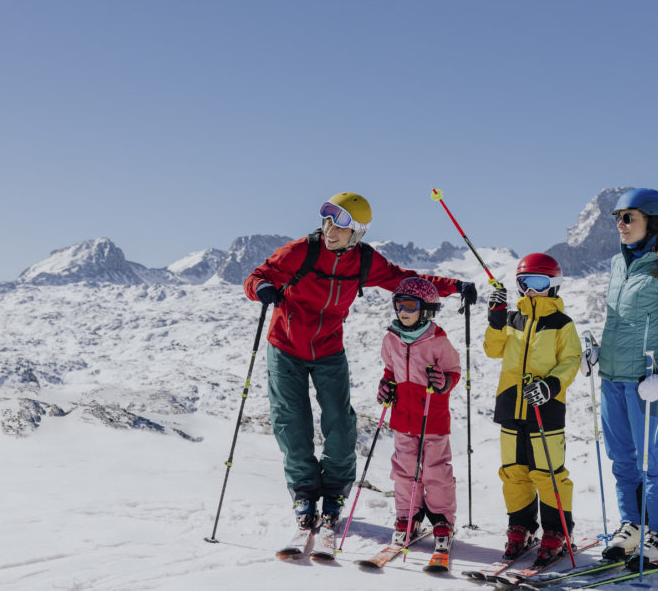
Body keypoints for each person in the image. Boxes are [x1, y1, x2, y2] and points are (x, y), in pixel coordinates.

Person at [243, 192, 478, 535]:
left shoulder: (364, 262)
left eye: (340, 224)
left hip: (328, 349)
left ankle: (335, 491)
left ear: (357, 232)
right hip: (286, 347)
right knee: (291, 422)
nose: (330, 229)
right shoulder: (300, 252)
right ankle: (304, 492)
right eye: (327, 220)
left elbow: (404, 280)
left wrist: (455, 286)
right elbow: (257, 276)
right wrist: (262, 288)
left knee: (340, 423)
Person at [586, 188, 658, 564]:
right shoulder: (619, 264)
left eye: (628, 217)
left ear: (653, 221)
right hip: (612, 376)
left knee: (651, 460)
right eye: (617, 216)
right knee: (621, 459)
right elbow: (619, 320)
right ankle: (632, 527)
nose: (620, 224)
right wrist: (600, 352)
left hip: (646, 380)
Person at [483, 253, 582, 566]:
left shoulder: (561, 324)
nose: (530, 290)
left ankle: (557, 533)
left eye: (538, 283)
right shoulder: (512, 319)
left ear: (553, 285)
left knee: (548, 474)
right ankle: (521, 528)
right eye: (523, 283)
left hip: (546, 407)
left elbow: (571, 360)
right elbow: (492, 350)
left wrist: (551, 385)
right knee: (514, 472)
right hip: (511, 404)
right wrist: (496, 320)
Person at [376, 277, 462, 554]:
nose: (403, 310)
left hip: (432, 417)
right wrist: (386, 387)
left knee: (437, 472)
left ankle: (442, 521)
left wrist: (443, 382)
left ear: (426, 309)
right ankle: (407, 516)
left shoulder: (438, 341)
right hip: (403, 418)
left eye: (410, 305)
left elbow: (453, 372)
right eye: (399, 304)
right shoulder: (391, 339)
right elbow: (390, 372)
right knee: (404, 470)